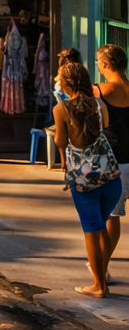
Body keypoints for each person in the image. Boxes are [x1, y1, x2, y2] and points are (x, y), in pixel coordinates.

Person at [56, 61, 123, 297]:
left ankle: (98, 285)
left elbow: (61, 142)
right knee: (101, 228)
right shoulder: (99, 104)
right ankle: (101, 277)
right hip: (110, 178)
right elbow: (101, 131)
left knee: (91, 231)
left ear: (65, 83)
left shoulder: (61, 109)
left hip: (85, 182)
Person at [95, 45, 129, 262]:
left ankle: (102, 266)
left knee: (110, 216)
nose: (98, 65)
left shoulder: (100, 90)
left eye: (98, 62)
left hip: (113, 160)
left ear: (106, 64)